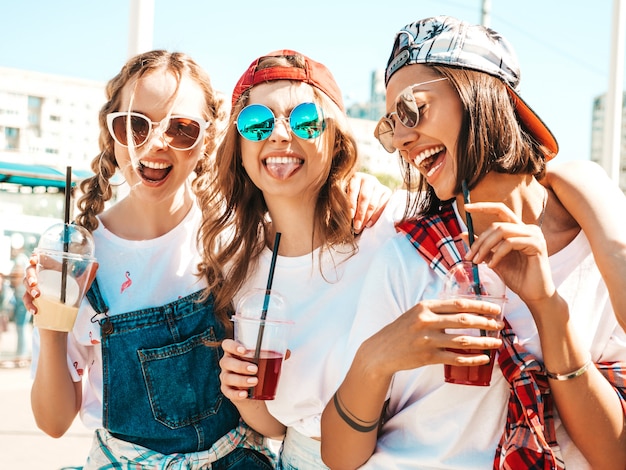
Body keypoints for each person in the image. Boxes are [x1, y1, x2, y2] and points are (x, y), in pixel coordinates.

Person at [320, 15, 626, 470]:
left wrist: (547, 308)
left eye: (411, 109)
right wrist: (376, 359)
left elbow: (614, 456)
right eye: (390, 125)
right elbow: (340, 458)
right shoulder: (408, 254)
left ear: (479, 93)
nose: (402, 139)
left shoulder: (598, 246)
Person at [26, 50, 276, 469]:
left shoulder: (238, 237)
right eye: (135, 125)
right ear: (112, 134)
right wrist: (52, 325)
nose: (156, 143)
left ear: (207, 140)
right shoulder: (77, 256)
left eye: (181, 129)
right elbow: (53, 422)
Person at [196, 49, 403, 469]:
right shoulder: (242, 267)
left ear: (335, 140)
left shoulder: (385, 227)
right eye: (256, 123)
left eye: (305, 119)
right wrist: (242, 392)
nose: (279, 134)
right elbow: (276, 426)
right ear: (239, 149)